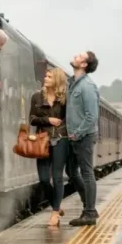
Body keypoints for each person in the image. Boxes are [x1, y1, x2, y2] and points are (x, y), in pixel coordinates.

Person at [30, 68, 70, 227]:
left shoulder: (66, 99)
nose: (45, 78)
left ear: (57, 80)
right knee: (44, 179)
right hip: (43, 140)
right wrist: (49, 120)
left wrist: (62, 129)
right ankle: (57, 205)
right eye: (45, 75)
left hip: (61, 139)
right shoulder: (36, 97)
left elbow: (69, 119)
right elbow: (32, 119)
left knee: (58, 177)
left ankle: (54, 214)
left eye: (49, 76)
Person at [66, 51, 100, 226]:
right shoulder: (72, 84)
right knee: (71, 172)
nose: (75, 55)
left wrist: (77, 133)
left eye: (79, 55)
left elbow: (91, 115)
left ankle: (89, 212)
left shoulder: (87, 86)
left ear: (84, 64)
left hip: (84, 136)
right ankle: (89, 206)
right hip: (75, 136)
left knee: (87, 173)